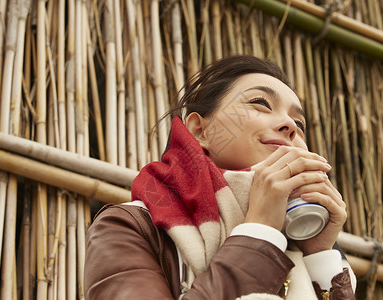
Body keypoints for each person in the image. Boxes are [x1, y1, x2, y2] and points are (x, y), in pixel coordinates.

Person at [84, 55, 356, 299]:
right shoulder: (130, 227)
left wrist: (319, 255)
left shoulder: (301, 241)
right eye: (260, 103)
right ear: (199, 131)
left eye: (300, 124)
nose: (290, 126)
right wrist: (259, 232)